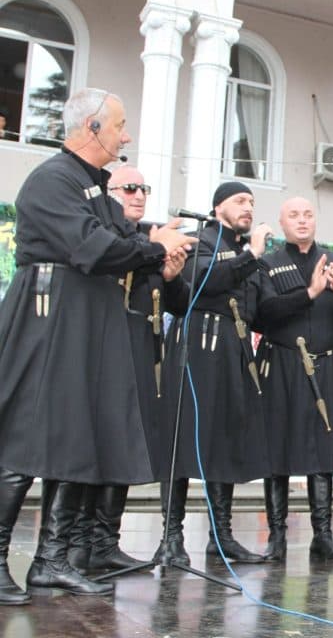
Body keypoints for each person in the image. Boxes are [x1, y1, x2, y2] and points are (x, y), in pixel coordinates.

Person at [0, 88, 195, 603]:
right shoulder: (52, 180)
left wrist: (160, 258)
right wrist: (152, 247)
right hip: (50, 314)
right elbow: (93, 247)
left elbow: (124, 245)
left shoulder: (95, 189)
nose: (125, 136)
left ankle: (51, 560)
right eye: (119, 125)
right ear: (91, 127)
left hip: (84, 318)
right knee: (24, 436)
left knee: (75, 436)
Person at [68, 166, 190, 575]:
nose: (139, 195)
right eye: (130, 188)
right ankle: (79, 543)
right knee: (96, 444)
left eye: (144, 188)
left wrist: (171, 276)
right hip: (105, 346)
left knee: (123, 445)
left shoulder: (148, 238)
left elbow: (179, 303)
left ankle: (106, 541)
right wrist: (153, 249)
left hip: (142, 346)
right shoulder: (110, 235)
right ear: (109, 193)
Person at [154, 181, 272, 567]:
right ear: (218, 206)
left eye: (252, 202)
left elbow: (261, 309)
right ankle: (171, 538)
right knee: (181, 437)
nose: (248, 207)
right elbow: (205, 281)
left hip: (234, 348)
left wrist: (310, 294)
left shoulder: (246, 253)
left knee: (225, 439)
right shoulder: (199, 240)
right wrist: (251, 256)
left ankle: (221, 538)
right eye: (240, 200)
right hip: (198, 345)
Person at [255, 196, 333, 562]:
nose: (302, 220)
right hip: (282, 364)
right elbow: (263, 313)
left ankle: (323, 536)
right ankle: (277, 537)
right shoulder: (269, 263)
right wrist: (310, 294)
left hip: (326, 366)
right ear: (282, 222)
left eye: (307, 214)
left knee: (324, 451)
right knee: (277, 450)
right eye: (293, 215)